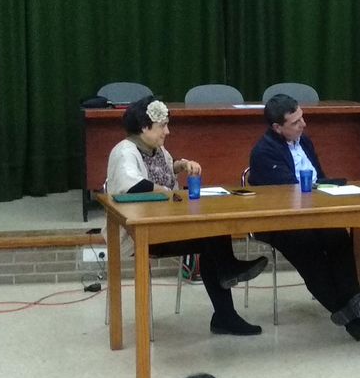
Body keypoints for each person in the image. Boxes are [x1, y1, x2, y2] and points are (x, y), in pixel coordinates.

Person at [105, 96, 268, 335]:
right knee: (212, 237)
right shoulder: (124, 152)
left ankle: (225, 305)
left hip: (167, 224)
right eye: (163, 126)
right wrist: (168, 193)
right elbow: (134, 185)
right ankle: (227, 291)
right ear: (144, 127)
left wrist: (180, 165)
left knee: (214, 231)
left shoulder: (156, 149)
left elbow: (161, 171)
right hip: (140, 232)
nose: (167, 131)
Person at [248, 93, 360, 341]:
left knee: (338, 236)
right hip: (281, 221)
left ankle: (353, 305)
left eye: (302, 117)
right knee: (308, 247)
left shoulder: (305, 142)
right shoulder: (264, 152)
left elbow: (320, 179)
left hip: (313, 212)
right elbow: (287, 193)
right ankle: (351, 314)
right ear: (277, 127)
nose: (304, 124)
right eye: (295, 122)